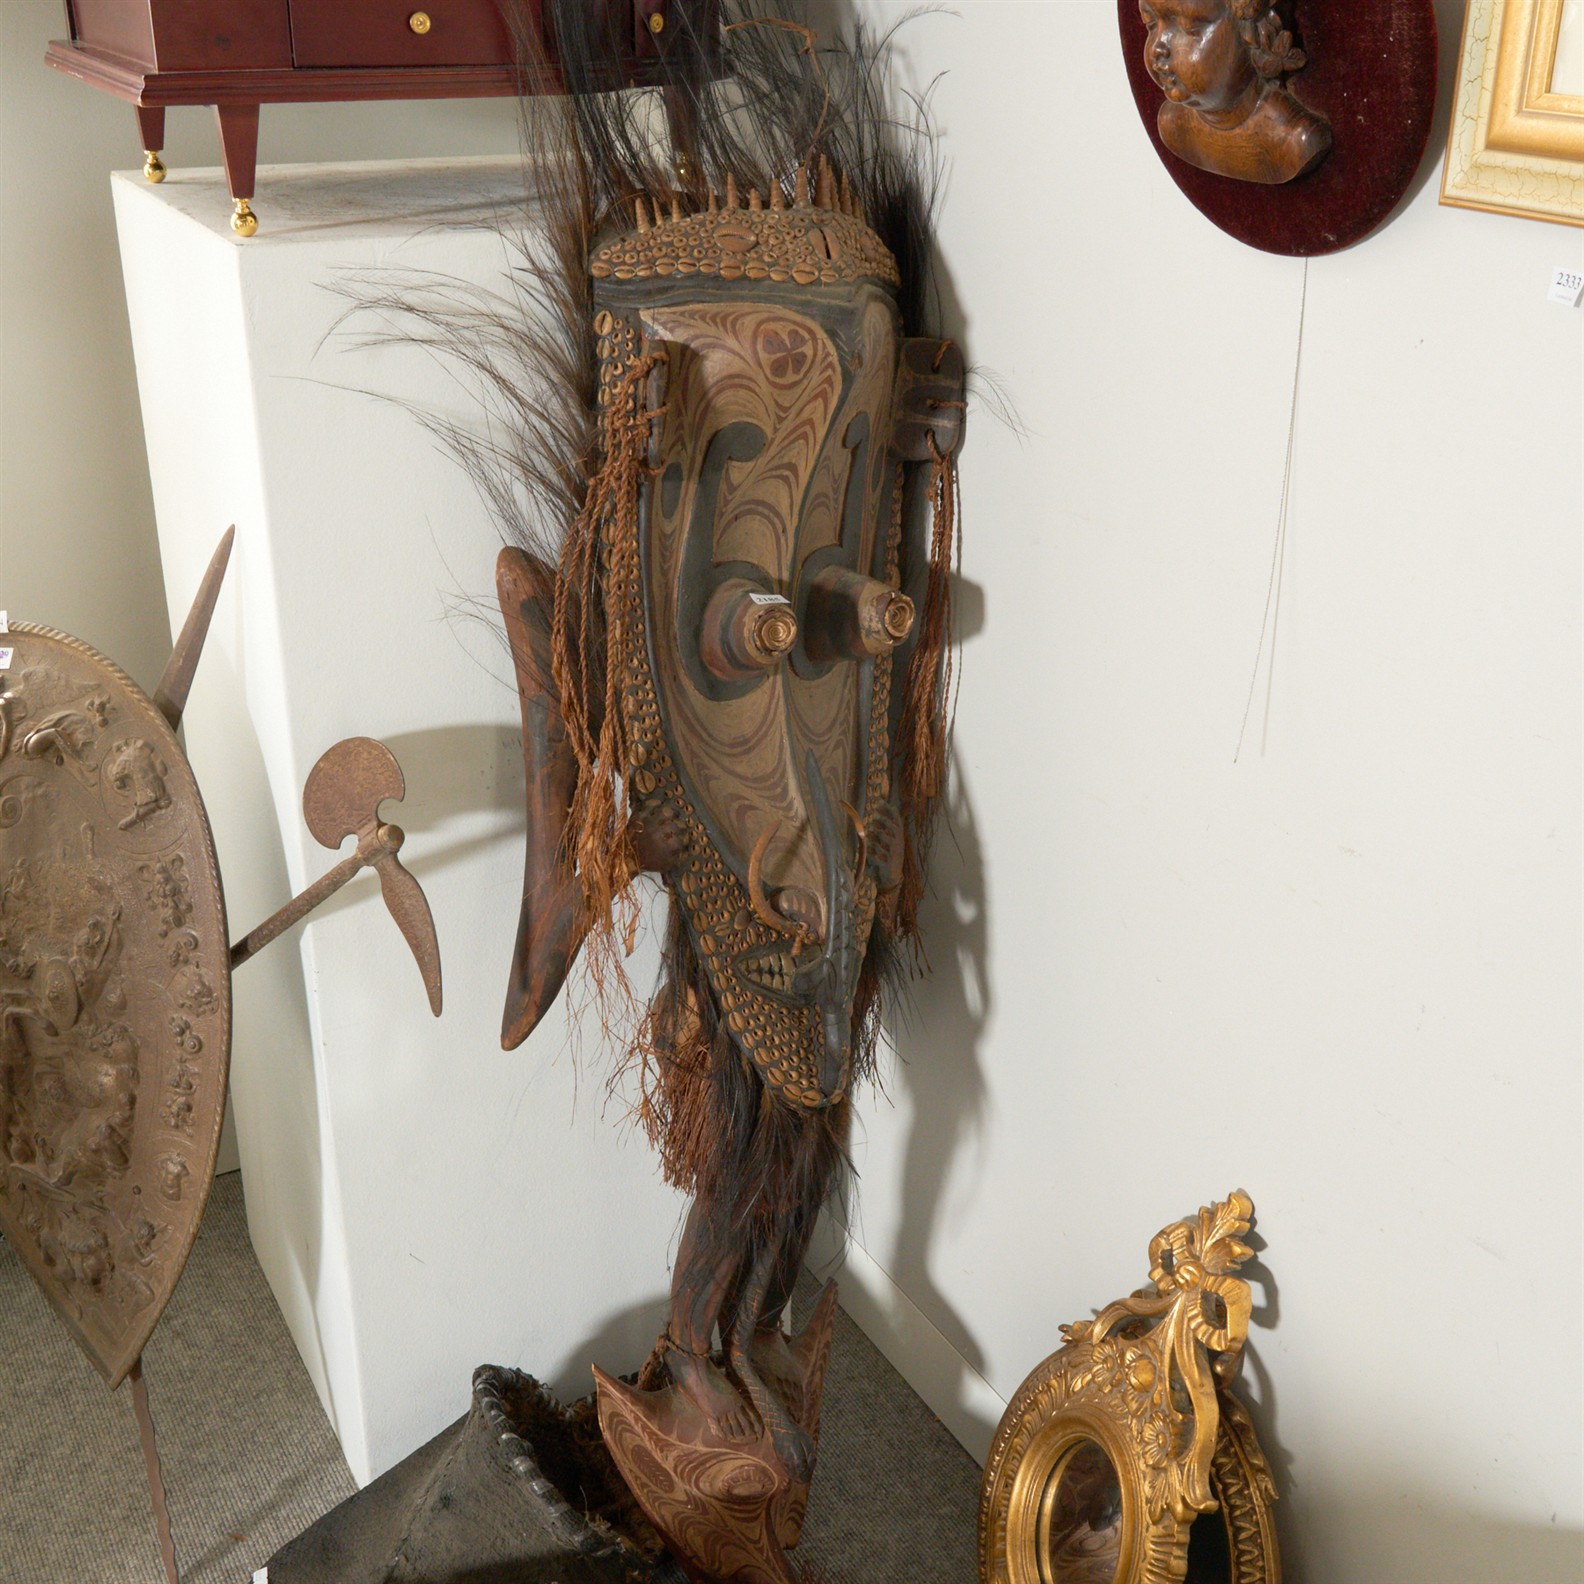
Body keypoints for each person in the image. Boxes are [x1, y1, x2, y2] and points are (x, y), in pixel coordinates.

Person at [1139, 0, 1331, 184]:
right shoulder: (1173, 125)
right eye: (1151, 24)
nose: (1157, 48)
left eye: (1187, 27)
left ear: (1250, 31)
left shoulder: (1293, 140)